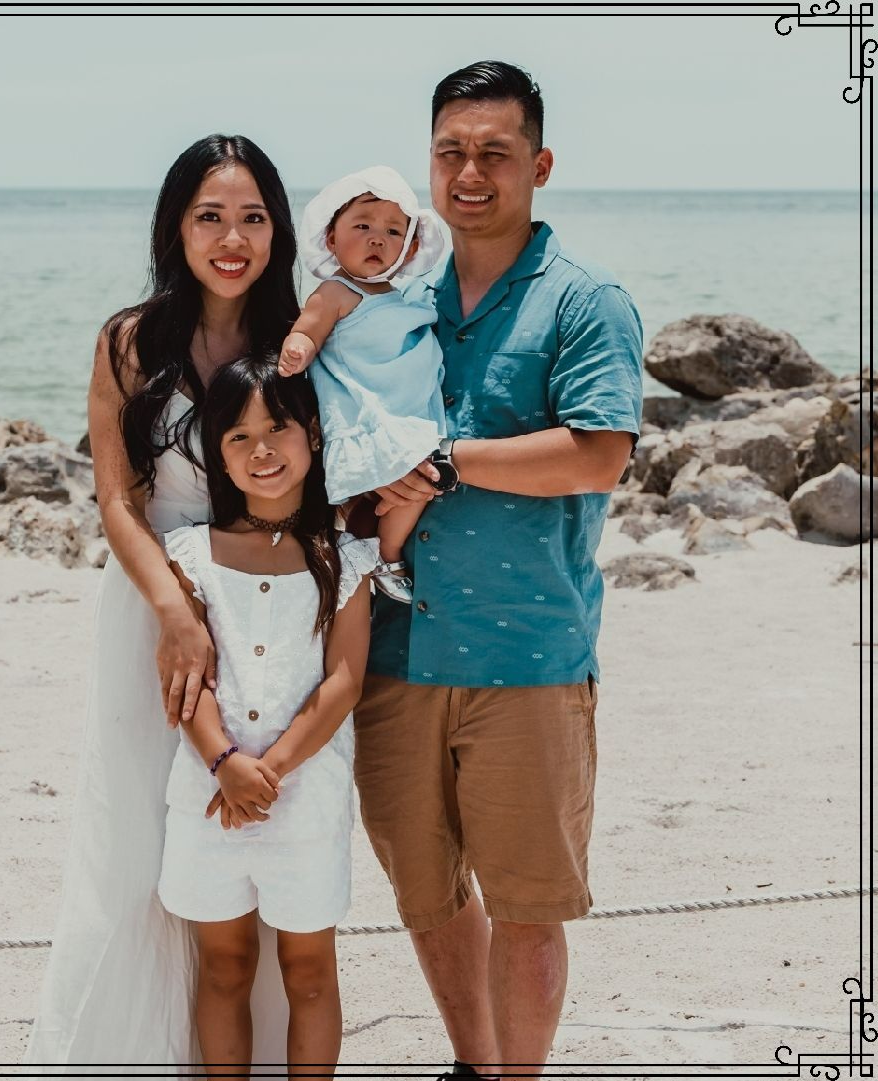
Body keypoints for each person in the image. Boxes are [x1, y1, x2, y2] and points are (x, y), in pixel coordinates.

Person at [353, 61, 644, 1078]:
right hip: (394, 649)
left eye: (494, 152)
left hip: (529, 650)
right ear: (428, 161)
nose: (469, 172)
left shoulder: (585, 300)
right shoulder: (392, 291)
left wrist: (443, 465)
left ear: (539, 164)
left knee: (528, 904)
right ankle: (473, 1067)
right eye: (451, 151)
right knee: (424, 893)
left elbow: (599, 451)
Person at [23, 134, 300, 1070]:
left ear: (278, 229)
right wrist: (176, 612)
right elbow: (115, 499)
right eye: (210, 216)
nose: (233, 237)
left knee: (250, 840)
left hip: (267, 603)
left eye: (254, 216)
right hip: (151, 600)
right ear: (175, 227)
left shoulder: (294, 336)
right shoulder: (128, 339)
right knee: (140, 841)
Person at [159, 355, 377, 1076]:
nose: (261, 449)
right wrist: (226, 765)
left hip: (305, 797)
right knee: (224, 965)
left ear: (312, 435)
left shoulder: (344, 558)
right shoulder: (191, 553)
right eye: (238, 436)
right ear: (217, 456)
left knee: (310, 969)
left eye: (278, 428)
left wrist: (270, 771)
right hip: (207, 797)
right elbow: (186, 679)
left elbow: (343, 681)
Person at [277, 166, 447, 604]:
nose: (378, 238)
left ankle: (379, 552)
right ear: (332, 240)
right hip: (363, 410)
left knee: (419, 480)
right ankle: (386, 556)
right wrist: (298, 347)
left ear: (408, 251)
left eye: (394, 231)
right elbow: (308, 328)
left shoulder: (405, 297)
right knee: (412, 476)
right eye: (363, 226)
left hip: (400, 405)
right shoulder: (334, 291)